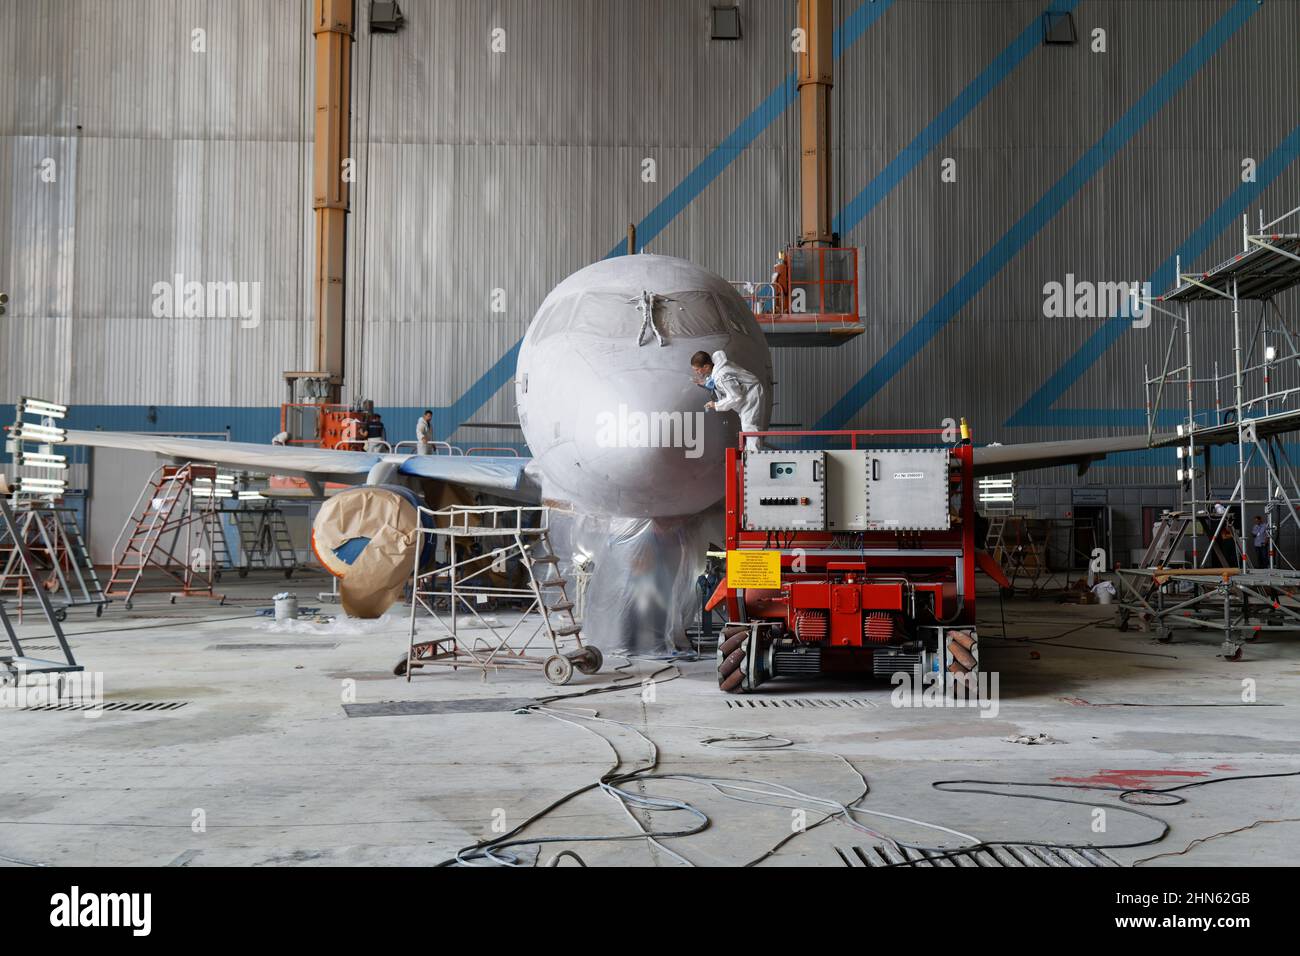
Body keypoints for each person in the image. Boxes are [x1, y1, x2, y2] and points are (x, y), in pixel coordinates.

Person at [691, 349, 765, 450]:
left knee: (749, 426)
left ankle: (754, 456)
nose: (696, 372)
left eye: (697, 370)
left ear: (706, 367)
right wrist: (707, 383)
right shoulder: (719, 368)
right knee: (748, 426)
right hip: (748, 393)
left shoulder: (721, 375)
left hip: (751, 394)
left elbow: (735, 397)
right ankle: (751, 453)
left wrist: (716, 405)